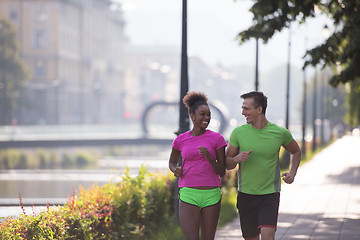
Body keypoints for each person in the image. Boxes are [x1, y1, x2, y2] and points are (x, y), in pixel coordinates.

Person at [226, 91, 301, 240]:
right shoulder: (238, 133)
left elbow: (296, 151)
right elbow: (227, 163)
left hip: (269, 195)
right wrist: (237, 159)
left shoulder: (279, 133)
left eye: (246, 108)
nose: (243, 112)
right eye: (242, 108)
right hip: (246, 195)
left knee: (268, 236)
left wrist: (292, 172)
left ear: (259, 109)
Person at [168, 91, 227, 240]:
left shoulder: (217, 139)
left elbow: (222, 171)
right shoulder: (180, 140)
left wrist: (209, 157)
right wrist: (176, 170)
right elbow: (172, 162)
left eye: (208, 114)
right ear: (192, 115)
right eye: (202, 114)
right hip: (188, 194)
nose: (206, 118)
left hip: (211, 195)